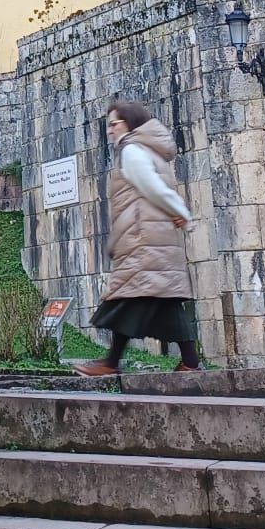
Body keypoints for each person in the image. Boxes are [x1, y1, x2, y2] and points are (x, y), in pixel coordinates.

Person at [75, 100, 201, 377]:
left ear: (129, 124)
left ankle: (110, 362)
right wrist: (178, 214)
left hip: (143, 240)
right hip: (156, 240)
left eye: (114, 124)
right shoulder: (150, 151)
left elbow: (153, 188)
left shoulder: (132, 151)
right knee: (164, 302)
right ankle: (190, 361)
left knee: (128, 296)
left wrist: (182, 213)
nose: (110, 131)